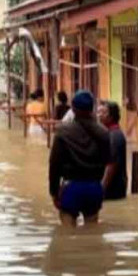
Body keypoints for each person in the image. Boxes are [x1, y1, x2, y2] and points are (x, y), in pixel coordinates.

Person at [49, 90, 110, 227]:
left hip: (71, 187)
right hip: (94, 187)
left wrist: (54, 192)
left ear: (73, 109)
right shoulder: (104, 133)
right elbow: (107, 161)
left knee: (67, 234)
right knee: (92, 233)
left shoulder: (63, 132)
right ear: (92, 108)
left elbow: (54, 164)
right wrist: (101, 189)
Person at [98, 101, 128, 200]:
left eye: (104, 113)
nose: (100, 115)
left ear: (111, 117)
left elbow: (112, 165)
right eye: (99, 112)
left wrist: (102, 188)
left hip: (113, 189)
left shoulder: (114, 136)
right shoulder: (108, 133)